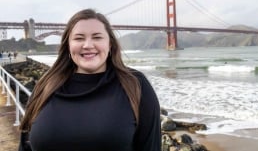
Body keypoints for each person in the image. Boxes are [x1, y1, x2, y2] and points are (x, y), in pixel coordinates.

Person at [18, 9, 161, 151]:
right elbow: (25, 145)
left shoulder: (135, 85)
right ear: (68, 45)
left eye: (97, 37)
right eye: (79, 38)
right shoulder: (45, 85)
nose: (87, 45)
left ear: (110, 44)